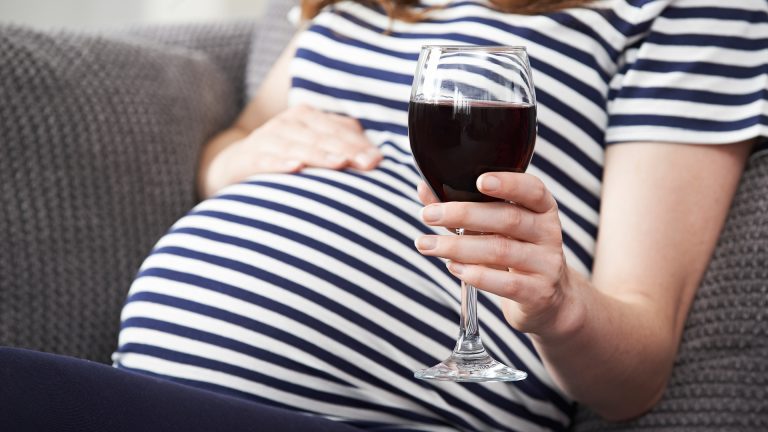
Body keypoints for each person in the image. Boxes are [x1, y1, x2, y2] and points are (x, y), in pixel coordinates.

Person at [101, 0, 766, 431]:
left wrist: (559, 304)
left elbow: (637, 375)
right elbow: (239, 138)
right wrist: (234, 161)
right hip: (143, 390)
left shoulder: (684, 10)